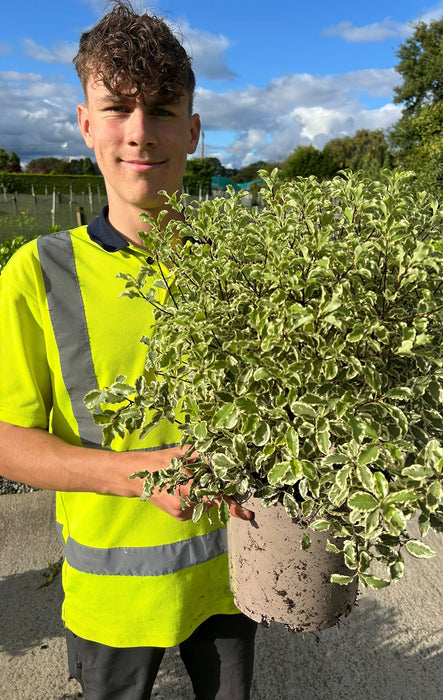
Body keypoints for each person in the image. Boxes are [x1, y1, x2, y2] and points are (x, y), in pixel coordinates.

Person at [0, 2, 257, 698]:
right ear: (86, 124)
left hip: (231, 582)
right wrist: (139, 476)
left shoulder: (244, 264)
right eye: (117, 108)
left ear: (194, 130)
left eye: (164, 109)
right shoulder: (37, 272)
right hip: (106, 597)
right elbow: (6, 440)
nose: (140, 132)